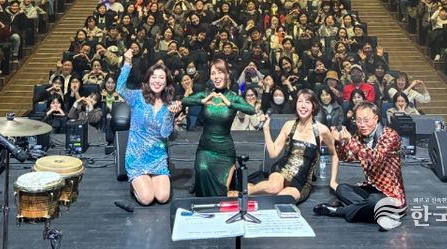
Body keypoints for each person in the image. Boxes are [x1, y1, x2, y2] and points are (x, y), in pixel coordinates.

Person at [314, 100, 406, 225]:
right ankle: (375, 212)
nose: (362, 125)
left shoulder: (390, 135)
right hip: (372, 188)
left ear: (376, 119)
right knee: (342, 188)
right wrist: (340, 142)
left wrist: (351, 141)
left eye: (366, 120)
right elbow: (347, 157)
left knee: (374, 201)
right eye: (358, 121)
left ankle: (339, 211)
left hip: (390, 194)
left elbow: (376, 158)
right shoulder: (360, 135)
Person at [117, 48, 183, 205]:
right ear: (148, 80)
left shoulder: (169, 104)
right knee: (147, 199)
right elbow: (120, 88)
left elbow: (165, 133)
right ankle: (135, 185)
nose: (157, 81)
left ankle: (147, 181)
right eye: (154, 77)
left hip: (157, 157)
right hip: (136, 157)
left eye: (161, 78)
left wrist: (171, 114)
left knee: (162, 198)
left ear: (166, 82)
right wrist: (127, 63)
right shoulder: (137, 97)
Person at [249, 89, 339, 203]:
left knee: (282, 199)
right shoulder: (289, 125)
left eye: (307, 102)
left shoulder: (322, 130)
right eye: (300, 101)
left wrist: (333, 181)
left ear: (313, 107)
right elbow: (273, 153)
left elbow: (334, 155)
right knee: (274, 188)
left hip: (302, 181)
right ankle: (248, 190)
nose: (303, 106)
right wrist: (266, 130)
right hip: (282, 170)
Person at [181, 59, 255, 197]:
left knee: (221, 192)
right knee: (203, 169)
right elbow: (184, 101)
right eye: (213, 73)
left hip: (225, 151)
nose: (216, 76)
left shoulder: (233, 97)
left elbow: (251, 110)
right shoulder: (206, 94)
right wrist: (201, 101)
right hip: (205, 149)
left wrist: (230, 104)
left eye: (220, 72)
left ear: (227, 75)